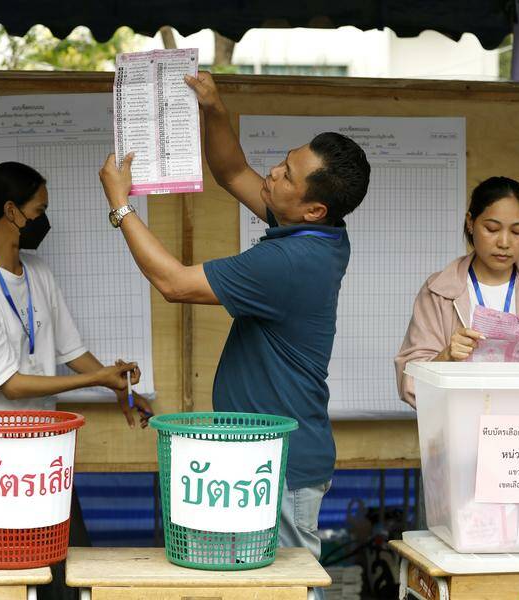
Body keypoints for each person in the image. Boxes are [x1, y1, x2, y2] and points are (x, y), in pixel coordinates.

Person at [99, 71, 370, 591]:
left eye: (287, 175)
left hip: (281, 467)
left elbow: (174, 283)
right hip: (259, 457)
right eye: (284, 162)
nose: (274, 172)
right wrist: (214, 108)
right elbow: (232, 171)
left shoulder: (292, 261)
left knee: (285, 592)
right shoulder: (318, 228)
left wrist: (121, 205)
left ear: (313, 207)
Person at [0, 161, 152, 600]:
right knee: (6, 588)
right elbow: (10, 384)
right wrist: (96, 378)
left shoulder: (38, 272)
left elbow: (71, 351)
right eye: (39, 210)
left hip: (42, 465)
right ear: (12, 211)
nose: (45, 220)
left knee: (68, 580)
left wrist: (118, 384)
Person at [395, 176, 519, 408]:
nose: (504, 242)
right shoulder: (439, 291)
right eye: (492, 229)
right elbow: (409, 384)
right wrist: (447, 357)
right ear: (470, 223)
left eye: (517, 231)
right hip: (462, 423)